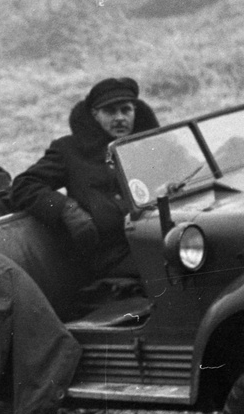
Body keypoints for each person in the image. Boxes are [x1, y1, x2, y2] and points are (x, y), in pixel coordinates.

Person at [10, 77, 159, 278]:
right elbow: (24, 185)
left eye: (126, 110)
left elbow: (195, 171)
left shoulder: (151, 144)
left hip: (157, 238)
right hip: (110, 258)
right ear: (94, 115)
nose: (120, 118)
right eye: (110, 111)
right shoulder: (70, 150)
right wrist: (67, 209)